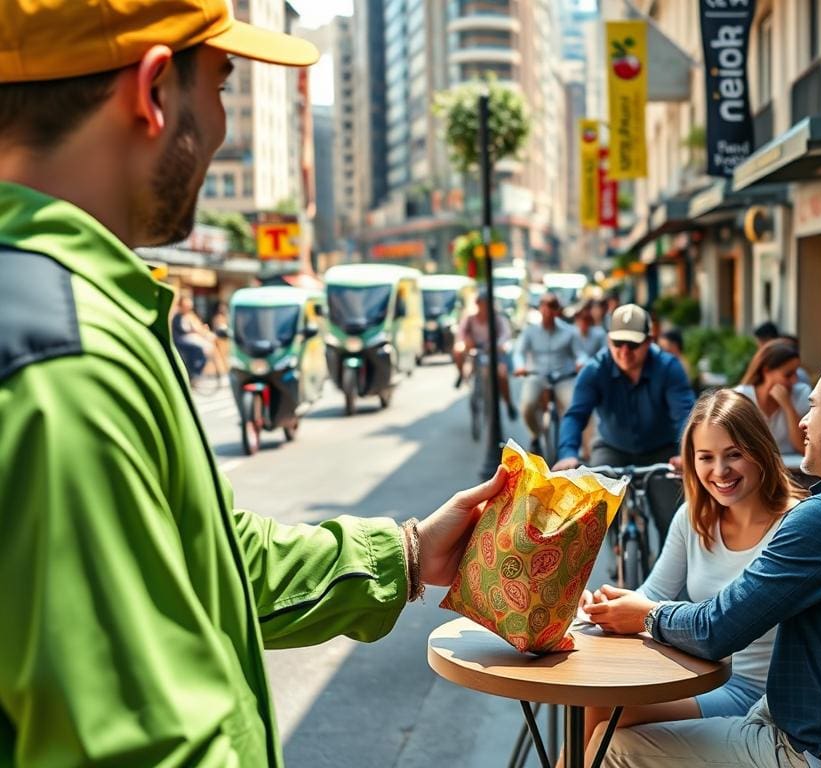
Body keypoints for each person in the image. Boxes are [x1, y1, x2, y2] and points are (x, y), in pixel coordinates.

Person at [0, 4, 507, 764]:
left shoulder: (64, 307)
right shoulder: (68, 357)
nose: (225, 126)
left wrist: (405, 554)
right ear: (154, 92)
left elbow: (210, 560)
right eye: (223, 86)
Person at [586, 352, 821, 768]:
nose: (801, 422)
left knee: (611, 745)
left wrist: (647, 616)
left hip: (815, 749)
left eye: (813, 406)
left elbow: (717, 629)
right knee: (608, 719)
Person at [572, 389, 807, 765]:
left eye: (734, 454)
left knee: (603, 719)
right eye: (706, 458)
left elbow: (702, 620)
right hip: (699, 675)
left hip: (759, 694)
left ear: (761, 450)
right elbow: (653, 593)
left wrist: (643, 611)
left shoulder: (796, 526)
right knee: (596, 708)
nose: (720, 471)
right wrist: (607, 604)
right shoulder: (695, 518)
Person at [553, 305, 696, 472]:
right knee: (598, 495)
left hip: (663, 449)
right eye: (618, 343)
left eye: (633, 343)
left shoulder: (669, 368)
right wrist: (568, 454)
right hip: (612, 448)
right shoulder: (594, 371)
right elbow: (575, 416)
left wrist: (687, 452)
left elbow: (685, 415)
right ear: (608, 340)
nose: (625, 351)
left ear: (649, 341)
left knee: (677, 496)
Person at [513, 292, 584, 453]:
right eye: (545, 308)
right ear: (540, 309)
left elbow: (580, 353)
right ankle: (535, 435)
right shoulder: (530, 331)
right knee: (527, 405)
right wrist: (520, 366)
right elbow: (519, 352)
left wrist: (581, 363)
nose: (548, 313)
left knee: (573, 406)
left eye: (552, 309)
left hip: (562, 377)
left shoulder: (569, 331)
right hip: (536, 375)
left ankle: (570, 446)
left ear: (557, 311)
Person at [734, 339, 811, 455]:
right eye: (788, 375)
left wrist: (788, 406)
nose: (795, 380)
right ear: (766, 371)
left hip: (794, 470)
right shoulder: (741, 397)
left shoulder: (802, 394)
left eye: (796, 373)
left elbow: (803, 447)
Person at [453, 289, 517, 419]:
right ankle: (461, 374)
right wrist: (464, 342)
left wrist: (498, 345)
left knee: (502, 375)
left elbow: (505, 334)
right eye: (481, 303)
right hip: (476, 351)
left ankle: (508, 403)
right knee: (457, 350)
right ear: (477, 303)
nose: (484, 306)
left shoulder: (497, 318)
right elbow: (461, 334)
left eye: (486, 303)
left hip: (494, 352)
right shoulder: (470, 318)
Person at [171, 292, 213, 380]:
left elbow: (195, 327)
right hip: (181, 340)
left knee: (204, 347)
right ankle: (194, 371)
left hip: (188, 339)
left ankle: (195, 371)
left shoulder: (188, 315)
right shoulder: (178, 316)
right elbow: (183, 329)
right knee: (198, 348)